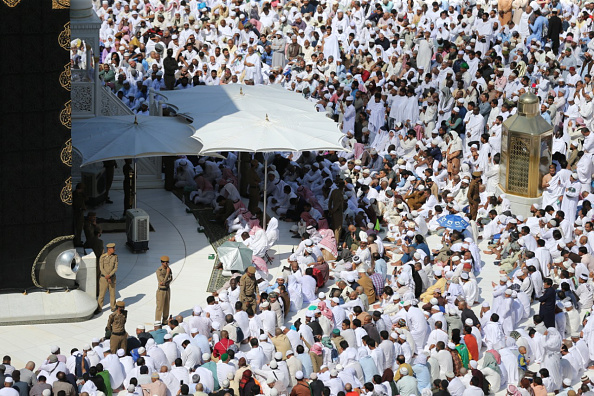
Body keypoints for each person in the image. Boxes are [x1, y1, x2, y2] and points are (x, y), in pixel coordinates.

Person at [97, 242, 118, 313]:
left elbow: (115, 268)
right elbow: (101, 268)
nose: (114, 250)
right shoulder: (102, 257)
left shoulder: (115, 257)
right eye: (113, 248)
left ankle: (113, 307)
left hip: (112, 277)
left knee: (112, 294)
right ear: (109, 249)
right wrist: (107, 276)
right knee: (101, 294)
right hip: (104, 279)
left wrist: (110, 275)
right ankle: (99, 308)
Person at [155, 256, 173, 325]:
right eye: (166, 262)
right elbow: (162, 281)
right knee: (159, 307)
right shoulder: (159, 271)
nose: (167, 263)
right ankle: (157, 322)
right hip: (161, 291)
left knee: (166, 306)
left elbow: (171, 278)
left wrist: (166, 281)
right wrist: (167, 275)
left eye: (168, 262)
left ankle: (165, 320)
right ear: (162, 263)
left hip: (167, 289)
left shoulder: (169, 269)